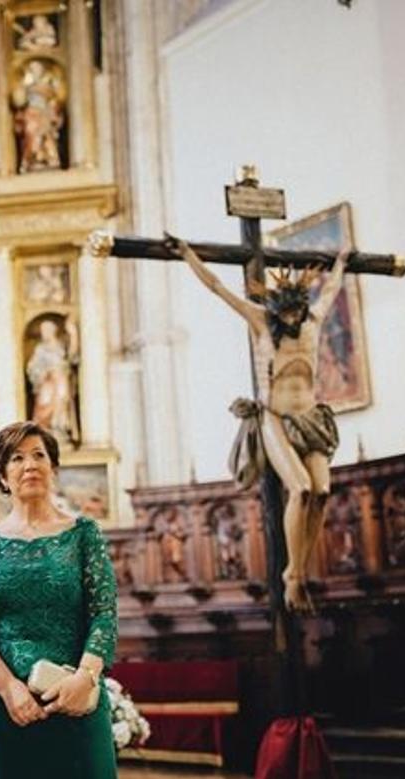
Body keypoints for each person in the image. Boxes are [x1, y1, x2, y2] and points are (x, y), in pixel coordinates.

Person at [170, 235, 350, 612]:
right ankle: (293, 576)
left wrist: (343, 261)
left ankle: (299, 571)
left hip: (311, 416)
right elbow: (219, 289)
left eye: (296, 314)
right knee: (299, 489)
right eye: (285, 315)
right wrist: (189, 254)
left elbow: (331, 288)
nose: (292, 320)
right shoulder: (261, 323)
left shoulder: (313, 322)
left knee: (322, 491)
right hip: (276, 417)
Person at [0, 421, 118, 779]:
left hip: (78, 703)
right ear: (1, 474)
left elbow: (104, 615)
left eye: (38, 455)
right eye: (17, 458)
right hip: (5, 707)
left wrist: (85, 679)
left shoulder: (84, 534)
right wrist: (9, 687)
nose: (29, 465)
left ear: (53, 468)